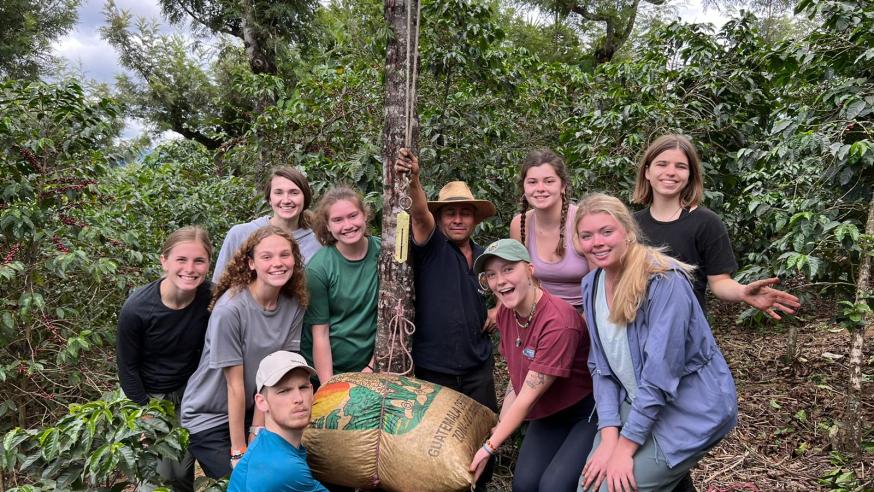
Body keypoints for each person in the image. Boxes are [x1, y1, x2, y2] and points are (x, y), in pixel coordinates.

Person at [575, 193, 738, 492]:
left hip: (687, 406)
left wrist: (625, 449)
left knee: (611, 488)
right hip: (635, 398)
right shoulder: (592, 283)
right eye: (586, 235)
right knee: (589, 485)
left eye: (606, 231)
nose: (596, 242)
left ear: (627, 231)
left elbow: (659, 376)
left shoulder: (664, 281)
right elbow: (600, 367)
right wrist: (609, 436)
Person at [395, 149, 499, 491]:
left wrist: (500, 310)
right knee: (435, 453)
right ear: (441, 219)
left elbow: (523, 283)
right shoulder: (433, 246)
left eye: (465, 214)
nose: (457, 220)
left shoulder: (486, 258)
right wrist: (413, 180)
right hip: (435, 370)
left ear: (475, 220)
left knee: (483, 445)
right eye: (450, 213)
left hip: (477, 369)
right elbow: (420, 213)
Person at [181, 225, 308, 479]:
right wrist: (239, 451)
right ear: (250, 263)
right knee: (246, 481)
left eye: (285, 255)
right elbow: (235, 386)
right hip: (210, 416)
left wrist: (257, 428)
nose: (278, 263)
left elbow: (275, 373)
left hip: (255, 408)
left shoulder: (294, 304)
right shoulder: (230, 309)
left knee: (282, 476)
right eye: (267, 257)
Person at [469, 239, 597, 492]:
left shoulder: (559, 322)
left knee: (554, 486)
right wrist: (499, 424)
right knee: (524, 485)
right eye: (491, 275)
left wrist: (489, 447)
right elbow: (517, 382)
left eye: (508, 269)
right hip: (546, 411)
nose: (500, 281)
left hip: (584, 413)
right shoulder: (507, 312)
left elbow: (527, 397)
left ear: (530, 270)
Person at [632, 134, 799, 318]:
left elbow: (719, 282)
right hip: (635, 328)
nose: (671, 172)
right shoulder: (630, 225)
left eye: (680, 166)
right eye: (662, 164)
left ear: (690, 175)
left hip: (687, 331)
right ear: (647, 172)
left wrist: (742, 292)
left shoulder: (706, 222)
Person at [117, 226, 212, 492]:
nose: (190, 268)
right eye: (181, 259)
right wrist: (144, 413)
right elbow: (127, 368)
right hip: (150, 394)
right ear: (164, 261)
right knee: (156, 475)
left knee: (180, 472)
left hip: (191, 391)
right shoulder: (137, 309)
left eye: (199, 260)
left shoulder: (211, 297)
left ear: (208, 264)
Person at [301, 186, 379, 384]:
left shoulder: (384, 253)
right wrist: (328, 386)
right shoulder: (319, 269)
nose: (348, 225)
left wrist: (372, 366)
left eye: (353, 216)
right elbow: (320, 333)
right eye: (337, 220)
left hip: (372, 366)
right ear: (327, 226)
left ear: (365, 215)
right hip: (330, 369)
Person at [227, 350, 327, 492]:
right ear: (261, 402)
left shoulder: (265, 443)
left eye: (303, 387)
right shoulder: (285, 468)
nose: (298, 398)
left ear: (312, 392)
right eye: (284, 391)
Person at [510, 149, 589, 310]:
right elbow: (515, 277)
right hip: (538, 310)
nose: (540, 188)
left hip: (584, 311)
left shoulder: (584, 220)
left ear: (563, 186)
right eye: (532, 182)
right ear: (524, 187)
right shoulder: (519, 224)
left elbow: (602, 282)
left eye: (549, 181)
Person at [213, 167, 321, 280]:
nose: (286, 200)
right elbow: (218, 285)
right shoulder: (240, 234)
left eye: (294, 193)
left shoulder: (318, 242)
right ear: (269, 199)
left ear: (305, 198)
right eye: (278, 193)